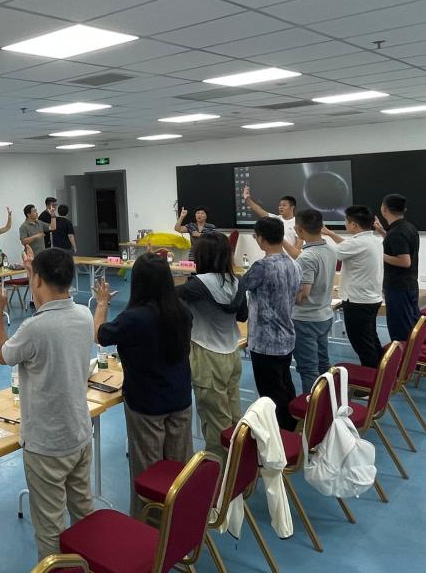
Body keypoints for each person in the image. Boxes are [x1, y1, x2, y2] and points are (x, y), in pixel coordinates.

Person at [0, 247, 93, 559]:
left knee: (50, 528)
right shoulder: (84, 315)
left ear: (37, 281)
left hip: (47, 444)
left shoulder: (34, 328)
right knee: (84, 513)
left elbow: (2, 354)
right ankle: (92, 561)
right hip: (79, 433)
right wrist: (32, 271)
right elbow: (46, 302)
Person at [95, 253, 193, 518]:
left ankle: (149, 529)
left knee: (148, 475)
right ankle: (180, 522)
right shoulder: (182, 312)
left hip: (147, 404)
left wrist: (102, 303)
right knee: (179, 469)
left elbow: (100, 335)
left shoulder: (134, 318)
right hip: (180, 399)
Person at [176, 233, 247, 460]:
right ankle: (239, 466)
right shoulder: (236, 281)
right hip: (232, 353)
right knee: (233, 415)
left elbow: (168, 299)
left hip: (207, 356)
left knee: (215, 421)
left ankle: (220, 473)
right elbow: (242, 315)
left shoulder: (197, 285)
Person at [241, 217, 300, 431]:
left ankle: (282, 437)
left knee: (271, 396)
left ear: (260, 239)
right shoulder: (293, 264)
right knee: (285, 385)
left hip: (265, 341)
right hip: (286, 336)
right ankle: (293, 429)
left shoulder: (262, 266)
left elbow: (240, 287)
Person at [321, 205, 384, 367]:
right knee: (371, 339)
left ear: (354, 224)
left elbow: (328, 255)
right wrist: (330, 233)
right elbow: (347, 246)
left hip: (358, 302)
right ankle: (382, 374)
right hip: (371, 299)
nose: (345, 224)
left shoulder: (356, 244)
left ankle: (370, 380)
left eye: (346, 222)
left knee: (363, 345)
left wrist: (315, 240)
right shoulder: (373, 240)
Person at [292, 209, 339, 395]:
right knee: (323, 363)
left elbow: (303, 294)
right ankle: (328, 402)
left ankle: (311, 409)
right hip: (324, 314)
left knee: (308, 369)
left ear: (299, 229)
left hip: (305, 319)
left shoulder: (306, 257)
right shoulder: (330, 250)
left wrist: (286, 297)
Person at [377, 193, 420, 343]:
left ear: (384, 209)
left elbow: (404, 261)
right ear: (404, 209)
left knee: (400, 330)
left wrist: (378, 253)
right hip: (409, 284)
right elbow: (396, 246)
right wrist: (383, 233)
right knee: (411, 325)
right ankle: (412, 355)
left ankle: (403, 357)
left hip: (398, 288)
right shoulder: (407, 227)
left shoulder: (397, 232)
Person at [243, 185, 300, 258]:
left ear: (292, 207)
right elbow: (259, 210)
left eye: (284, 205)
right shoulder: (275, 220)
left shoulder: (298, 223)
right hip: (274, 258)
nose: (281, 207)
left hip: (289, 259)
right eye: (280, 205)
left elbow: (298, 246)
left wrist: (291, 259)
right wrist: (247, 198)